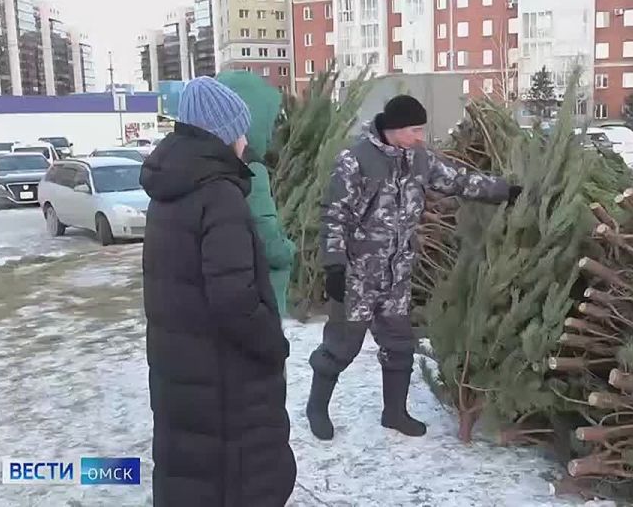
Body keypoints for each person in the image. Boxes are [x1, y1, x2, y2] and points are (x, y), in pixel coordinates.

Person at [306, 94, 522, 440]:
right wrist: (334, 265)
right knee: (342, 346)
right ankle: (317, 408)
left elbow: (458, 181)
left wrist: (504, 191)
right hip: (358, 274)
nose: (420, 136)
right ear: (393, 129)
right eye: (414, 129)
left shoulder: (419, 159)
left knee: (399, 344)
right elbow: (334, 214)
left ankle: (394, 412)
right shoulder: (355, 160)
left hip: (396, 275)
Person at [141, 76, 296, 506]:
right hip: (225, 376)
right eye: (240, 130)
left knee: (191, 473)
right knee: (237, 479)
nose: (246, 141)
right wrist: (272, 345)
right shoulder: (220, 194)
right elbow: (234, 299)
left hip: (181, 369)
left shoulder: (168, 190)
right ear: (224, 134)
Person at [216, 71, 296, 317]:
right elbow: (267, 238)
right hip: (258, 298)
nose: (272, 130)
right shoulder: (250, 168)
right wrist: (288, 250)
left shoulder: (203, 163)